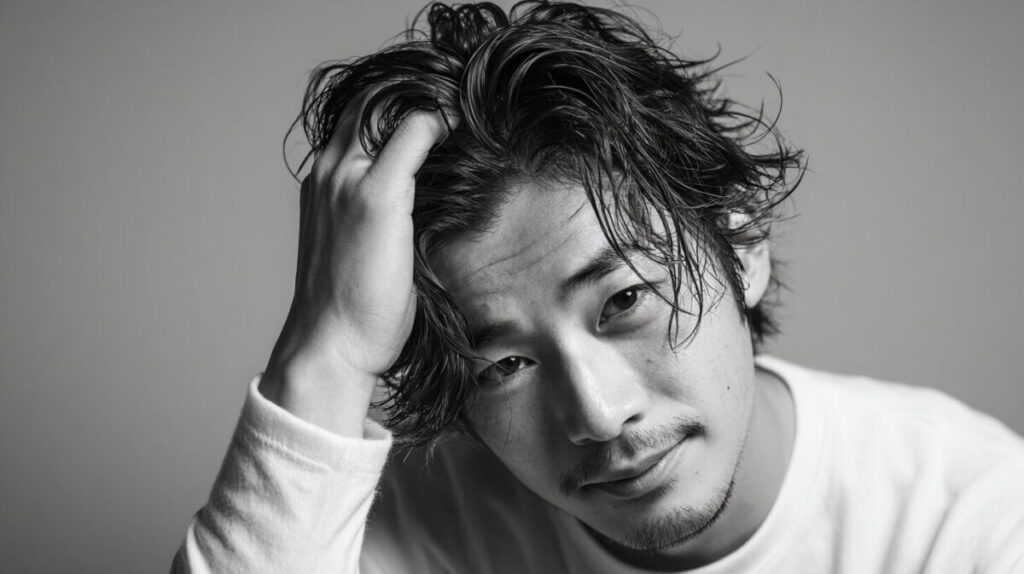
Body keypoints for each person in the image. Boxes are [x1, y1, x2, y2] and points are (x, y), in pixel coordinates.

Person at [172, 2, 1024, 572]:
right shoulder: (401, 523)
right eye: (503, 365)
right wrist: (329, 351)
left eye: (623, 301)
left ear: (743, 245)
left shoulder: (970, 517)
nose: (598, 415)